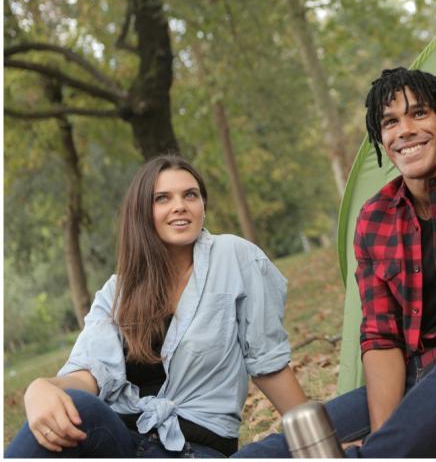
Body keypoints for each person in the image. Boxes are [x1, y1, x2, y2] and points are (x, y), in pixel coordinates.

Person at [235, 68, 436, 457]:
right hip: (416, 382)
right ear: (381, 139)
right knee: (265, 452)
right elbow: (381, 338)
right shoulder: (375, 218)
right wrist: (385, 437)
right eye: (390, 122)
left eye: (419, 113)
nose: (405, 131)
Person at [5, 155, 307, 458]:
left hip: (196, 448)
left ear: (203, 205)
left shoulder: (234, 257)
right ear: (142, 212)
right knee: (73, 408)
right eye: (162, 198)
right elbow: (90, 375)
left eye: (190, 195)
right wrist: (42, 387)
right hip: (123, 442)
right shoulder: (117, 292)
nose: (180, 205)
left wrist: (316, 435)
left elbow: (267, 362)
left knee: (330, 418)